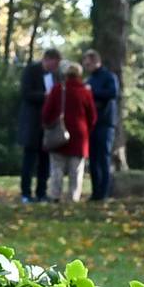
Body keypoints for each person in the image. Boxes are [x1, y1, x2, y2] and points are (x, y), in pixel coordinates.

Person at [40, 59, 96, 203]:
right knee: (76, 170)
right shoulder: (85, 92)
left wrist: (48, 125)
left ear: (65, 74)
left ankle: (55, 196)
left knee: (57, 168)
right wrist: (87, 129)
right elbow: (93, 116)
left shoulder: (58, 89)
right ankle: (73, 197)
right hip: (79, 136)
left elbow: (46, 112)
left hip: (59, 133)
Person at [16, 49, 60, 203]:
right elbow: (25, 93)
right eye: (53, 64)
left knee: (44, 160)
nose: (54, 68)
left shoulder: (55, 76)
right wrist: (44, 96)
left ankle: (42, 192)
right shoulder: (31, 71)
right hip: (32, 122)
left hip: (47, 124)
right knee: (29, 159)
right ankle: (26, 193)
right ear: (47, 60)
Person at [81, 49, 121, 201]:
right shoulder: (89, 79)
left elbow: (112, 93)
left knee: (104, 158)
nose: (87, 66)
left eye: (89, 63)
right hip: (91, 123)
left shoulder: (109, 77)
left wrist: (92, 92)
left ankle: (104, 192)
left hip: (105, 122)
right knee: (93, 159)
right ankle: (96, 192)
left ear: (96, 61)